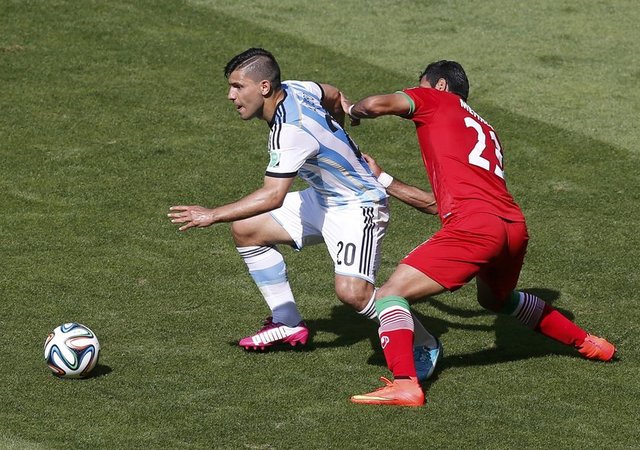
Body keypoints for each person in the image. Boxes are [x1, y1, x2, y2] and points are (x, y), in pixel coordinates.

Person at [340, 60, 616, 406]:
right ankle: (591, 344)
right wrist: (382, 178)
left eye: (421, 86)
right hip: (512, 227)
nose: (417, 92)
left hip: (475, 227)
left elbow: (374, 105)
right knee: (495, 299)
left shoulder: (436, 99)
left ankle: (405, 384)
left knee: (389, 294)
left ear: (440, 85)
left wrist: (352, 109)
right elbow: (434, 205)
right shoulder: (485, 128)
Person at [167, 48, 442, 380]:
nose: (231, 95)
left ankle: (425, 342)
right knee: (247, 229)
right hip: (325, 197)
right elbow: (334, 94)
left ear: (264, 87)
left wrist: (211, 214)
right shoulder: (295, 88)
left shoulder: (290, 130)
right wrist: (340, 137)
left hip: (358, 205)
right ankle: (286, 321)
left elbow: (272, 196)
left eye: (238, 86)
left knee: (353, 293)